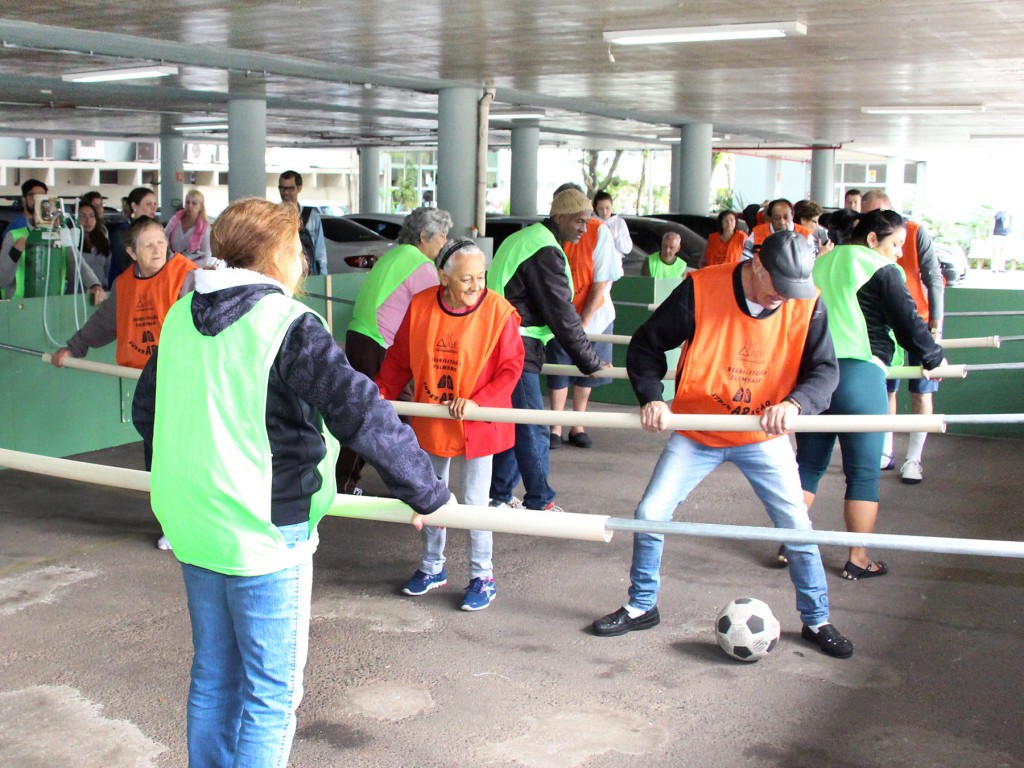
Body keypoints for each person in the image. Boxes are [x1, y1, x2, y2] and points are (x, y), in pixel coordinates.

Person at [131, 197, 451, 768]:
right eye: (297, 247)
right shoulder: (286, 323)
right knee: (270, 696)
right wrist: (426, 490)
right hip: (264, 531)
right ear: (278, 255)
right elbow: (361, 410)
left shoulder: (180, 316)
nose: (302, 258)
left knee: (213, 677)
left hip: (192, 522)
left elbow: (148, 412)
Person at [591, 231, 854, 659]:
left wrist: (796, 403)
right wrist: (651, 396)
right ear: (756, 266)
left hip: (762, 435)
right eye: (777, 288)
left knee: (797, 525)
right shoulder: (702, 288)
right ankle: (642, 605)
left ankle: (816, 618)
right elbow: (646, 344)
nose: (783, 299)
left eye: (793, 292)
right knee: (650, 515)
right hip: (698, 431)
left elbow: (825, 372)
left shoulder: (807, 303)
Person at [795, 209, 945, 580]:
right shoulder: (880, 268)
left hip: (814, 379)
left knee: (808, 468)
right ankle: (857, 559)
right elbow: (908, 321)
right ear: (873, 239)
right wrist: (933, 355)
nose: (898, 253)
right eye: (895, 244)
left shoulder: (821, 262)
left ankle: (790, 544)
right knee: (862, 475)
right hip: (860, 375)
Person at [377, 239, 524, 610]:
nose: (476, 286)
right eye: (466, 279)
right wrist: (382, 392)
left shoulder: (498, 311)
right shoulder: (422, 304)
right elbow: (399, 358)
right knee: (429, 494)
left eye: (481, 277)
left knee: (476, 501)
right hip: (433, 416)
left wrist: (479, 402)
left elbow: (511, 368)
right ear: (444, 276)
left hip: (478, 421)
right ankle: (431, 566)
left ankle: (482, 576)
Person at [52, 216, 198, 551]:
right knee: (157, 452)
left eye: (161, 241)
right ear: (131, 252)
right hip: (148, 380)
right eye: (148, 244)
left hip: (186, 378)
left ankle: (192, 520)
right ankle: (171, 522)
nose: (157, 248)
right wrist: (74, 347)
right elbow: (104, 322)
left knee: (185, 451)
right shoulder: (125, 284)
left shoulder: (187, 275)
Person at [486, 188, 607, 511]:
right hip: (516, 345)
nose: (585, 228)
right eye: (580, 221)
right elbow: (562, 315)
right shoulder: (544, 250)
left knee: (517, 422)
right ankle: (541, 500)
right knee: (533, 426)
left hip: (506, 340)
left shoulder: (529, 239)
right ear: (560, 217)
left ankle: (497, 495)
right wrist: (590, 361)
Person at [337, 206, 452, 495]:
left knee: (371, 414)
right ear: (425, 236)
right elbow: (440, 311)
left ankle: (406, 482)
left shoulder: (394, 255)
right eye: (442, 236)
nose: (444, 243)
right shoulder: (422, 266)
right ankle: (415, 485)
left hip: (361, 338)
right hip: (380, 345)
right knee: (385, 417)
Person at [861, 190, 944, 483]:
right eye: (867, 215)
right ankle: (885, 451)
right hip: (885, 325)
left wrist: (937, 322)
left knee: (921, 391)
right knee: (887, 390)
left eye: (878, 213)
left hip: (917, 321)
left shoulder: (915, 233)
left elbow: (933, 277)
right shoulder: (863, 242)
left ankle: (914, 460)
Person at [546, 184, 623, 449]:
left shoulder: (599, 231)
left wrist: (583, 322)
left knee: (587, 372)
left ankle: (577, 424)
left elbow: (602, 281)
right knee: (558, 369)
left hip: (595, 316)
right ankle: (555, 427)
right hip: (559, 316)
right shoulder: (549, 234)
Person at [0, 178, 104, 303]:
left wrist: (94, 285)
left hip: (52, 306)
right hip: (18, 307)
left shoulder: (62, 237)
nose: (46, 212)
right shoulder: (14, 235)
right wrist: (15, 252)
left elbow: (79, 265)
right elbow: (1, 280)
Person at [277, 170, 327, 275]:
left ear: (299, 188)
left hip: (308, 275)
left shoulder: (312, 217)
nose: (285, 193)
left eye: (290, 188)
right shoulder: (274, 215)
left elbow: (321, 255)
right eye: (282, 188)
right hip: (284, 274)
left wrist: (322, 279)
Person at [108, 187, 158, 287]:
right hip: (125, 286)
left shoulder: (154, 231)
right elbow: (124, 264)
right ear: (134, 206)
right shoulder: (122, 232)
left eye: (155, 204)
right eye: (148, 204)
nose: (153, 208)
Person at [742, 198, 815, 259]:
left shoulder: (805, 235)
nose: (782, 222)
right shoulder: (757, 232)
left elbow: (810, 263)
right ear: (770, 218)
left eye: (786, 217)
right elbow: (745, 260)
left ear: (792, 216)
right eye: (777, 218)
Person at [164, 189, 213, 267]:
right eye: (187, 202)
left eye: (194, 203)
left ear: (201, 207)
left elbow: (206, 258)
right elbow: (163, 240)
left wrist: (184, 265)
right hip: (171, 264)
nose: (190, 206)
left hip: (191, 269)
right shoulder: (174, 220)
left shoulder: (205, 229)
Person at [74, 201, 112, 292]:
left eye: (92, 216)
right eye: (83, 216)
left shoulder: (104, 242)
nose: (88, 220)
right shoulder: (72, 242)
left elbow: (107, 270)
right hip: (76, 293)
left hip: (100, 291)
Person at [592, 189, 633, 267]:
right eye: (601, 209)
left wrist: (616, 236)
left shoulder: (619, 223)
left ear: (612, 206)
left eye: (607, 208)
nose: (604, 212)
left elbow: (627, 248)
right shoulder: (591, 223)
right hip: (595, 268)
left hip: (615, 269)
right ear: (595, 209)